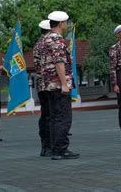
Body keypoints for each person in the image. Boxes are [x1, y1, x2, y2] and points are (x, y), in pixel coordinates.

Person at [43, 11, 79, 160]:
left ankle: (56, 148)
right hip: (58, 85)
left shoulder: (46, 39)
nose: (67, 24)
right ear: (61, 24)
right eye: (65, 22)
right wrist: (64, 83)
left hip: (50, 84)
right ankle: (61, 149)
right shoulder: (57, 41)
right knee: (63, 117)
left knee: (55, 117)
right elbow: (59, 63)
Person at [33, 20, 52, 157]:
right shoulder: (48, 44)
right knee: (51, 115)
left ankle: (45, 145)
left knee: (45, 114)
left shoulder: (37, 45)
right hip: (49, 84)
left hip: (41, 85)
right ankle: (49, 145)